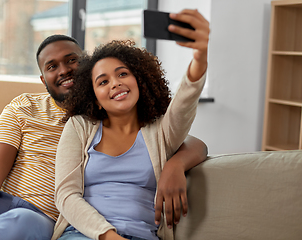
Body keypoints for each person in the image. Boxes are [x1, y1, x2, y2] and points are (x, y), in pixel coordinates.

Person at [0, 34, 207, 240]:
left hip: (43, 216)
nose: (64, 70)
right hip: (0, 199)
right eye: (51, 66)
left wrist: (176, 164)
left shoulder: (106, 117)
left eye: (72, 60)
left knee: (19, 222)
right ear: (43, 79)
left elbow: (181, 132)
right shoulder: (27, 107)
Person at [53, 9, 209, 240]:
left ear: (140, 81)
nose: (115, 84)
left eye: (122, 74)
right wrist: (108, 236)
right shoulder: (80, 127)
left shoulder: (161, 132)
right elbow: (66, 195)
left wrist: (199, 56)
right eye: (103, 81)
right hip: (83, 234)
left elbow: (185, 103)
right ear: (95, 98)